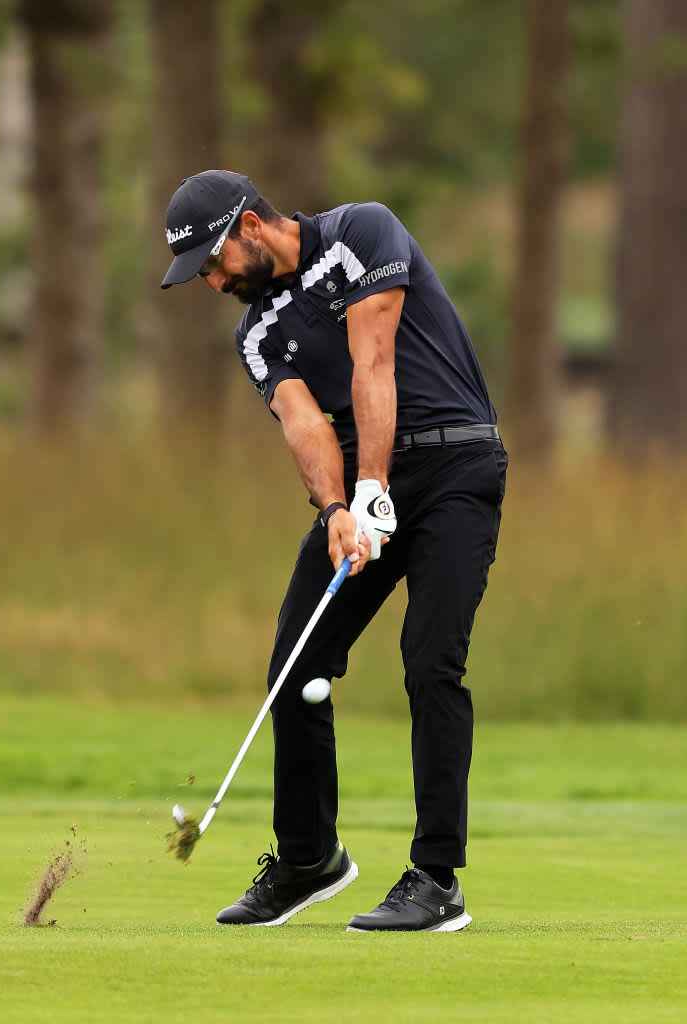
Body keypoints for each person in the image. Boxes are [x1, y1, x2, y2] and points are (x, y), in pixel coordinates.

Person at [161, 169, 508, 933]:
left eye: (214, 262)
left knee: (431, 663)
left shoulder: (362, 232)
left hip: (455, 466)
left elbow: (370, 361)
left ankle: (435, 879)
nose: (214, 282)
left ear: (252, 225)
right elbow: (305, 422)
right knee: (294, 667)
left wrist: (374, 485)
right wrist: (336, 509)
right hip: (359, 490)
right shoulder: (255, 333)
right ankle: (309, 858)